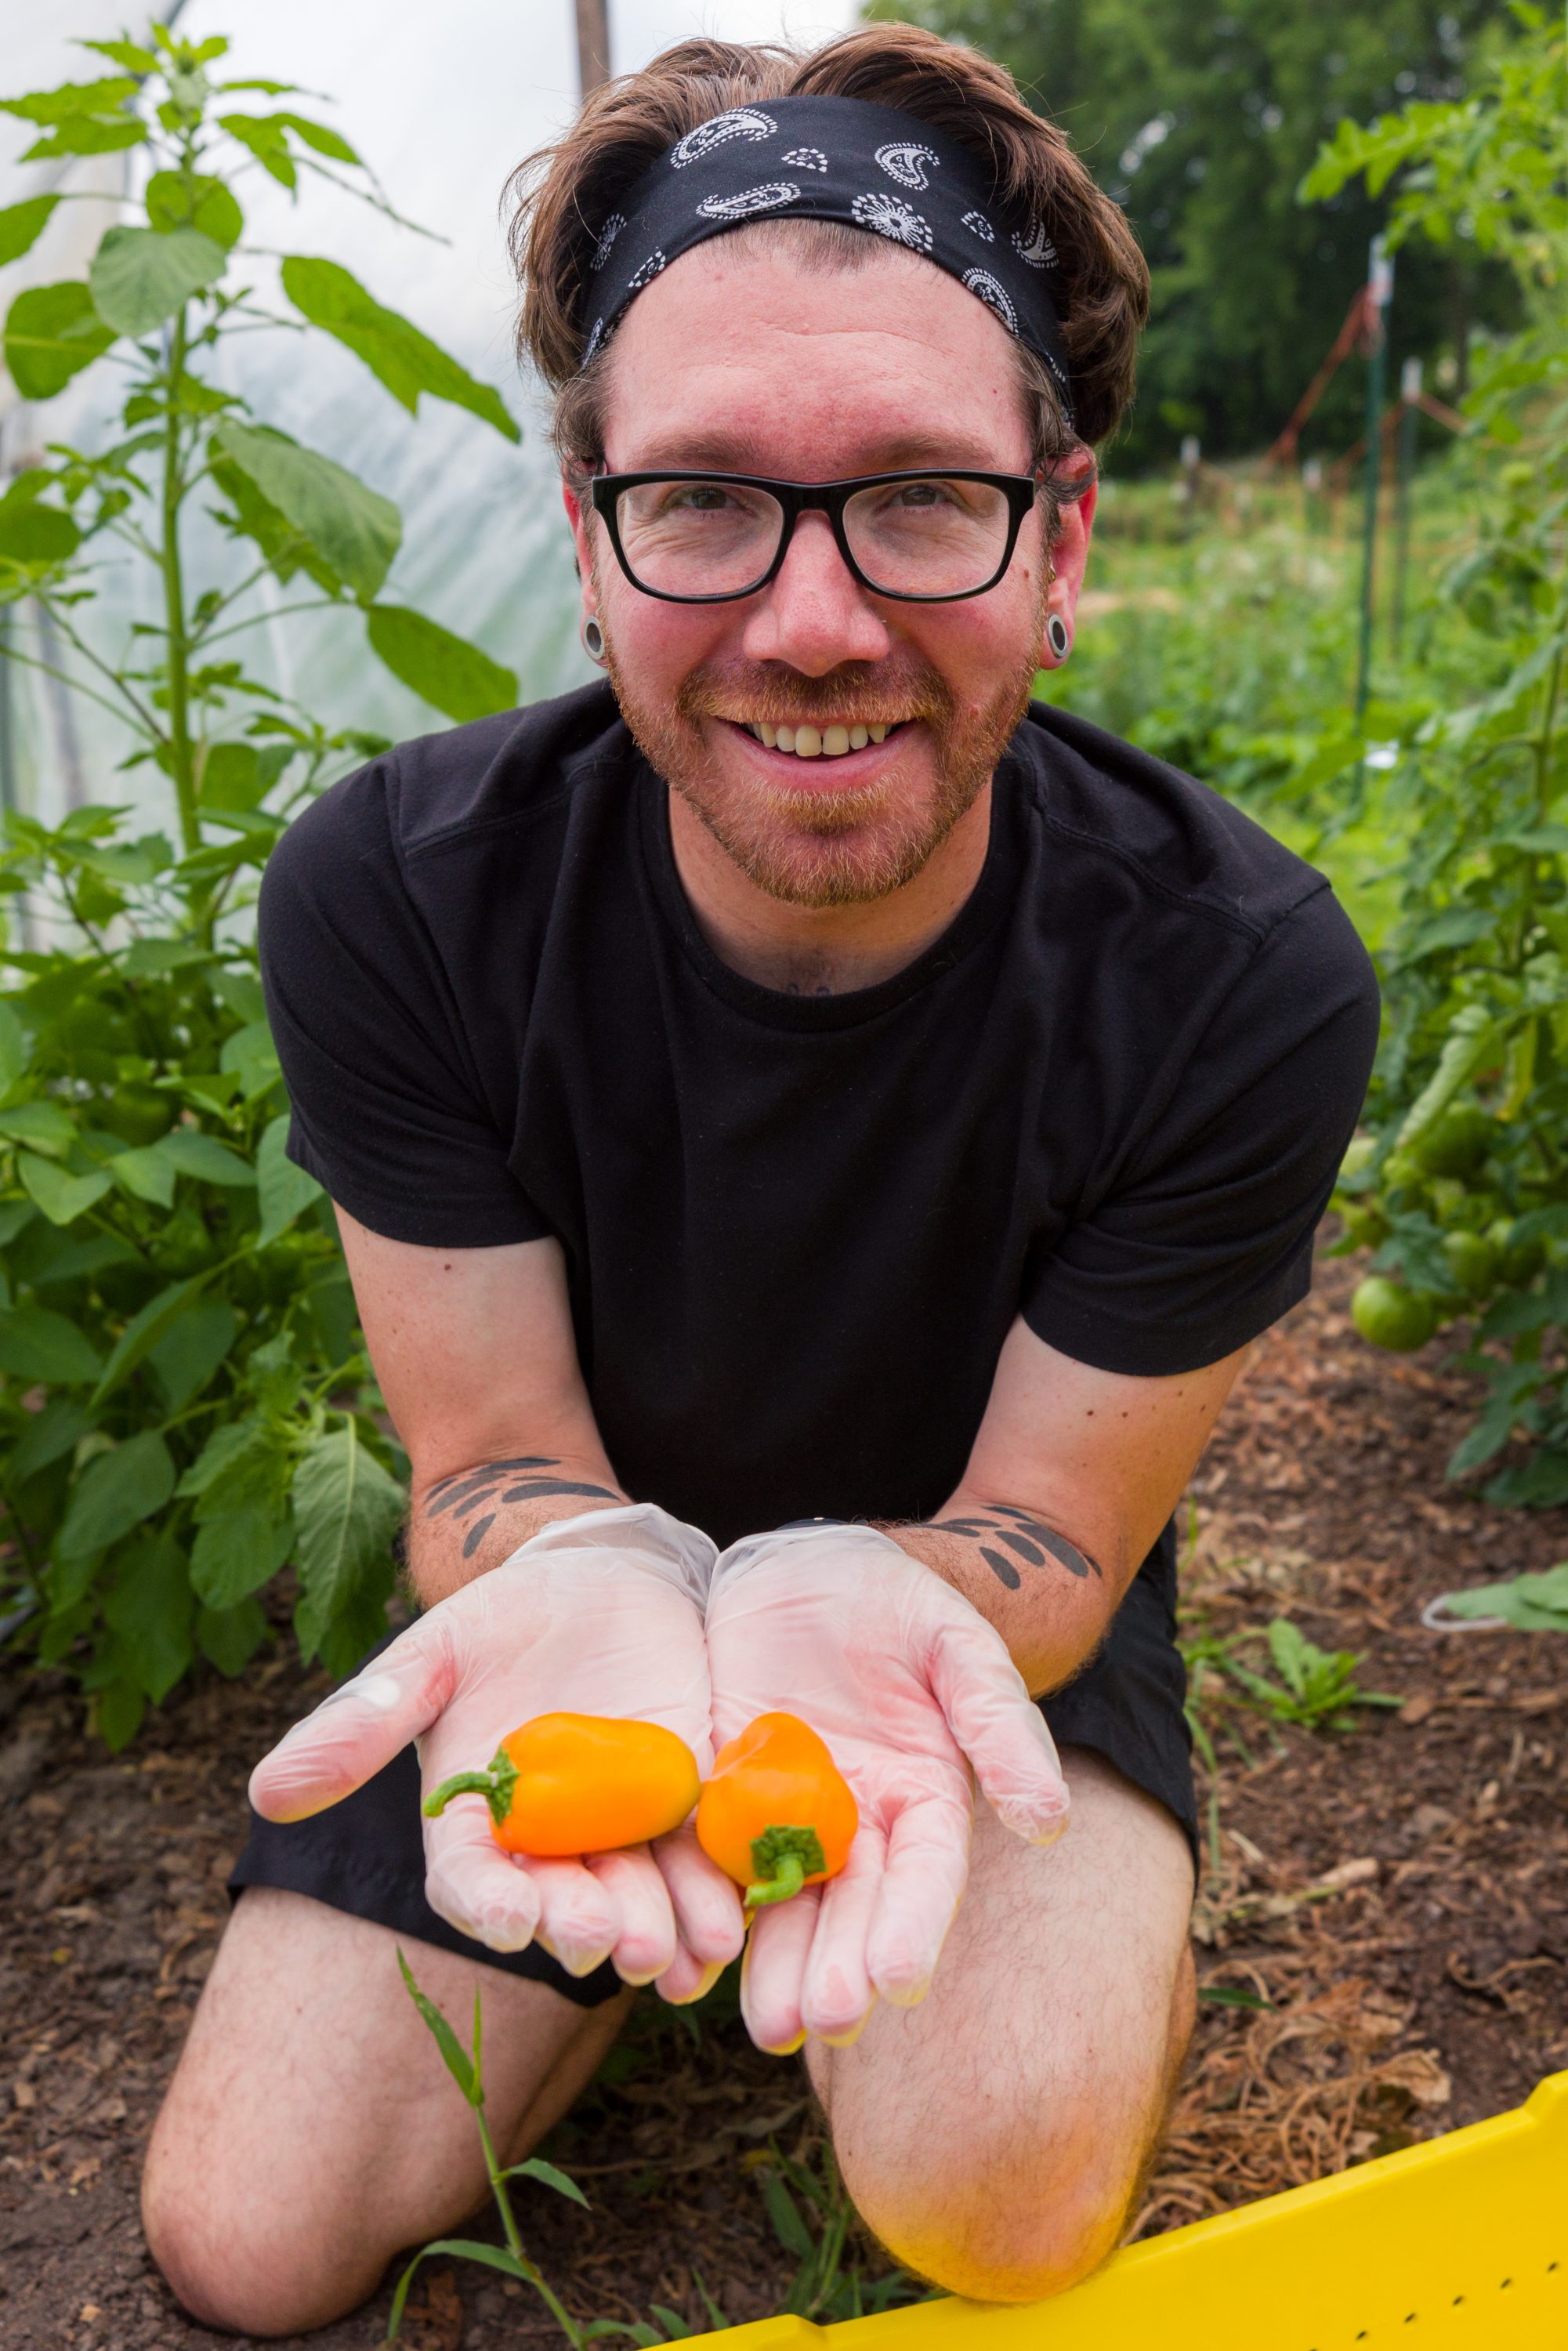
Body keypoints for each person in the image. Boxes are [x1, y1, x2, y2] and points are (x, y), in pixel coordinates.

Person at [141, 23, 1378, 2336]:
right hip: (568, 1590)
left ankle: (997, 1928)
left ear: (1062, 537)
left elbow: (1057, 1531)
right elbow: (490, 1450)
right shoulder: (393, 901)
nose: (813, 622)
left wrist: (824, 1620)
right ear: (592, 538)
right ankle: (639, 1942)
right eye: (703, 499)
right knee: (247, 2237)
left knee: (995, 2201)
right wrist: (620, 1590)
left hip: (957, 1614)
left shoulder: (1236, 976)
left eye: (918, 494)